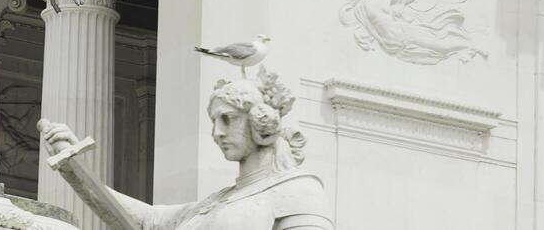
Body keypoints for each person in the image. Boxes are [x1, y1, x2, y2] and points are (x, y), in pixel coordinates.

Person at [39, 69, 332, 229]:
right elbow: (144, 220)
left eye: (228, 120)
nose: (217, 133)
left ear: (259, 121)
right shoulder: (213, 203)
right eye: (215, 121)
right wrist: (73, 167)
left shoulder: (298, 192)